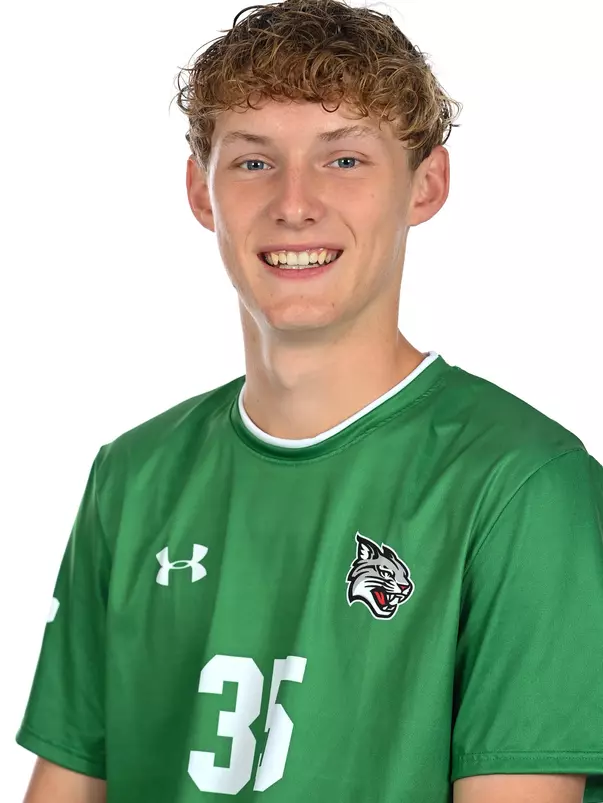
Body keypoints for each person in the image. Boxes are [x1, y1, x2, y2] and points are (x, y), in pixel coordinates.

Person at [16, 0, 603, 801]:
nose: (295, 203)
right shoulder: (132, 475)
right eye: (254, 162)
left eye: (345, 160)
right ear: (201, 191)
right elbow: (68, 784)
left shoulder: (524, 484)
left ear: (425, 184)